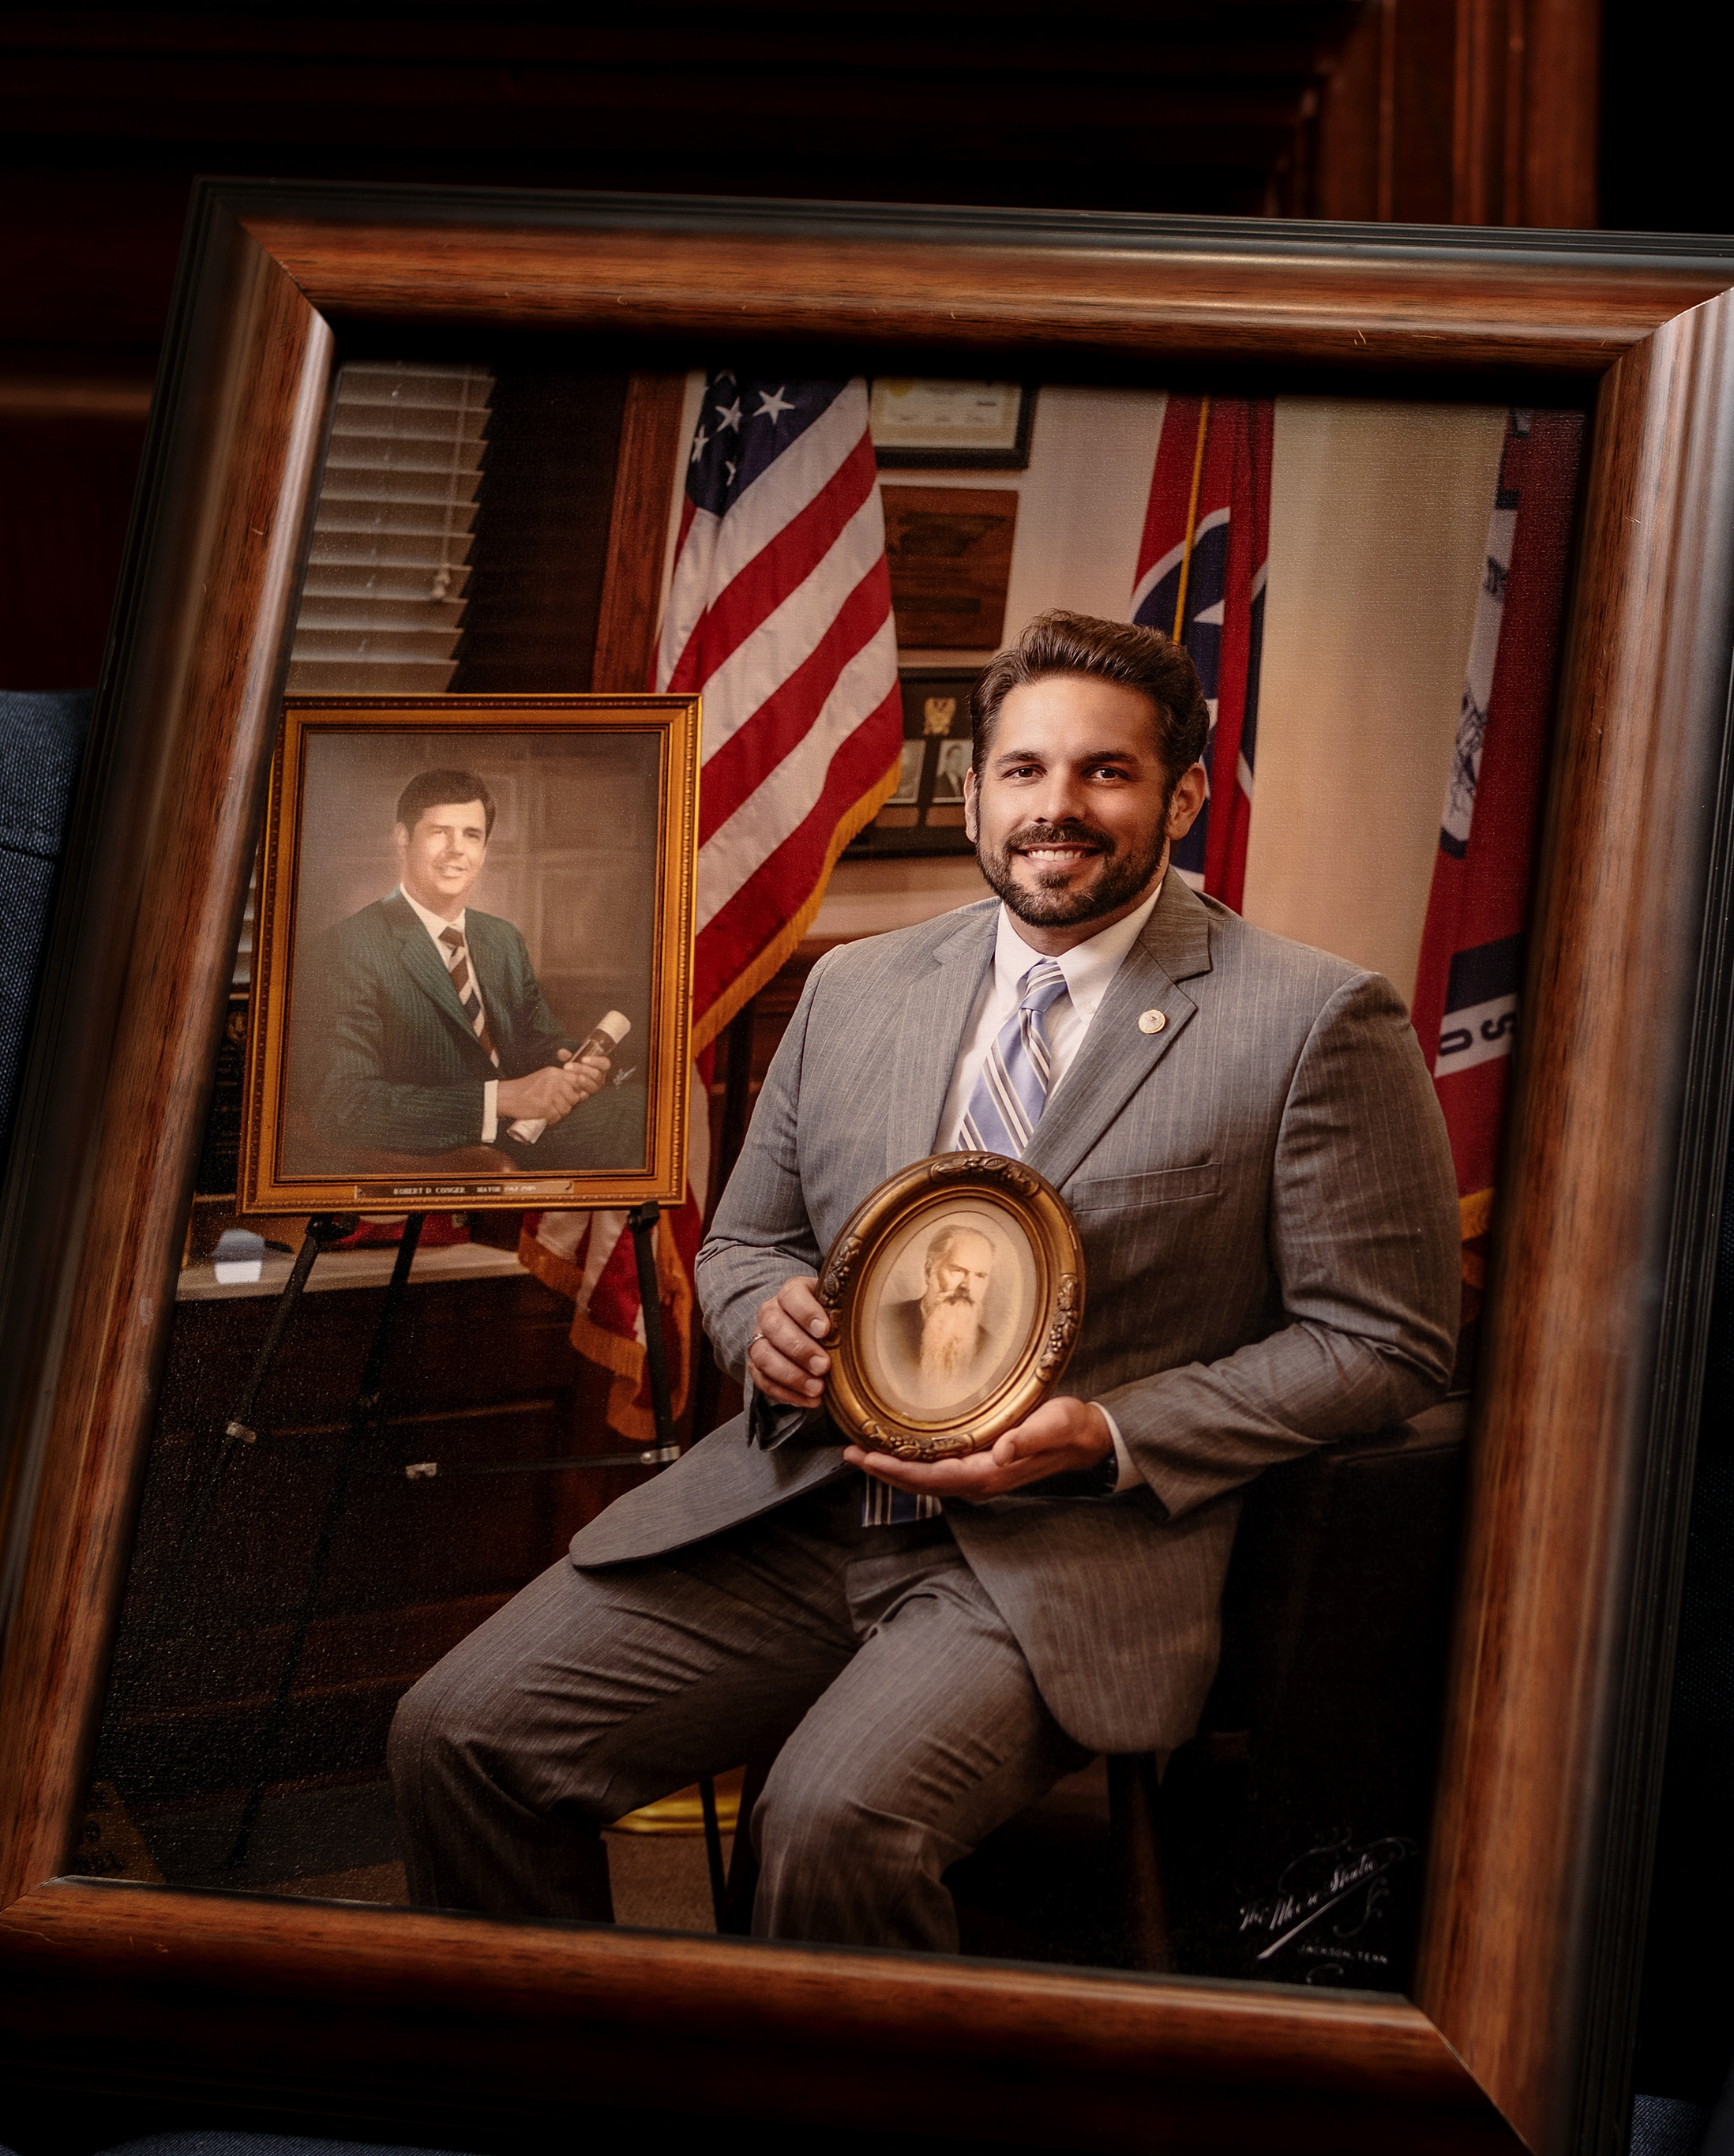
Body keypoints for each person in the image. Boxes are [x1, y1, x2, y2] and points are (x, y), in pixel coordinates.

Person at [388, 612, 1460, 1951]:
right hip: (798, 1502)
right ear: (973, 794)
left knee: (829, 1825)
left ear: (1183, 792)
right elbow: (744, 1246)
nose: (1055, 809)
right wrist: (758, 1323)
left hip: (1058, 1558)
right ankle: (547, 2136)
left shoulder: (1311, 1019)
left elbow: (1389, 1340)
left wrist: (1111, 1437)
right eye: (1022, 771)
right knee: (456, 1734)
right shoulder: (856, 988)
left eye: (1105, 774)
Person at [288, 768, 642, 1167]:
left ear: (485, 849)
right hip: (442, 1151)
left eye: (471, 835)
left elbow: (538, 1043)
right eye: (439, 832)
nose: (457, 849)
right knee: (636, 1124)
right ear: (403, 840)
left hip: (525, 1133)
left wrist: (573, 1064)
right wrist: (501, 1099)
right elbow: (343, 1107)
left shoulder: (501, 939)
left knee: (643, 1112)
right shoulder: (348, 948)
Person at [880, 1222, 1004, 1414]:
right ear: (929, 1271)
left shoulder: (992, 1348)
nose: (967, 1285)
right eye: (957, 1271)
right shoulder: (885, 1325)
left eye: (980, 1276)